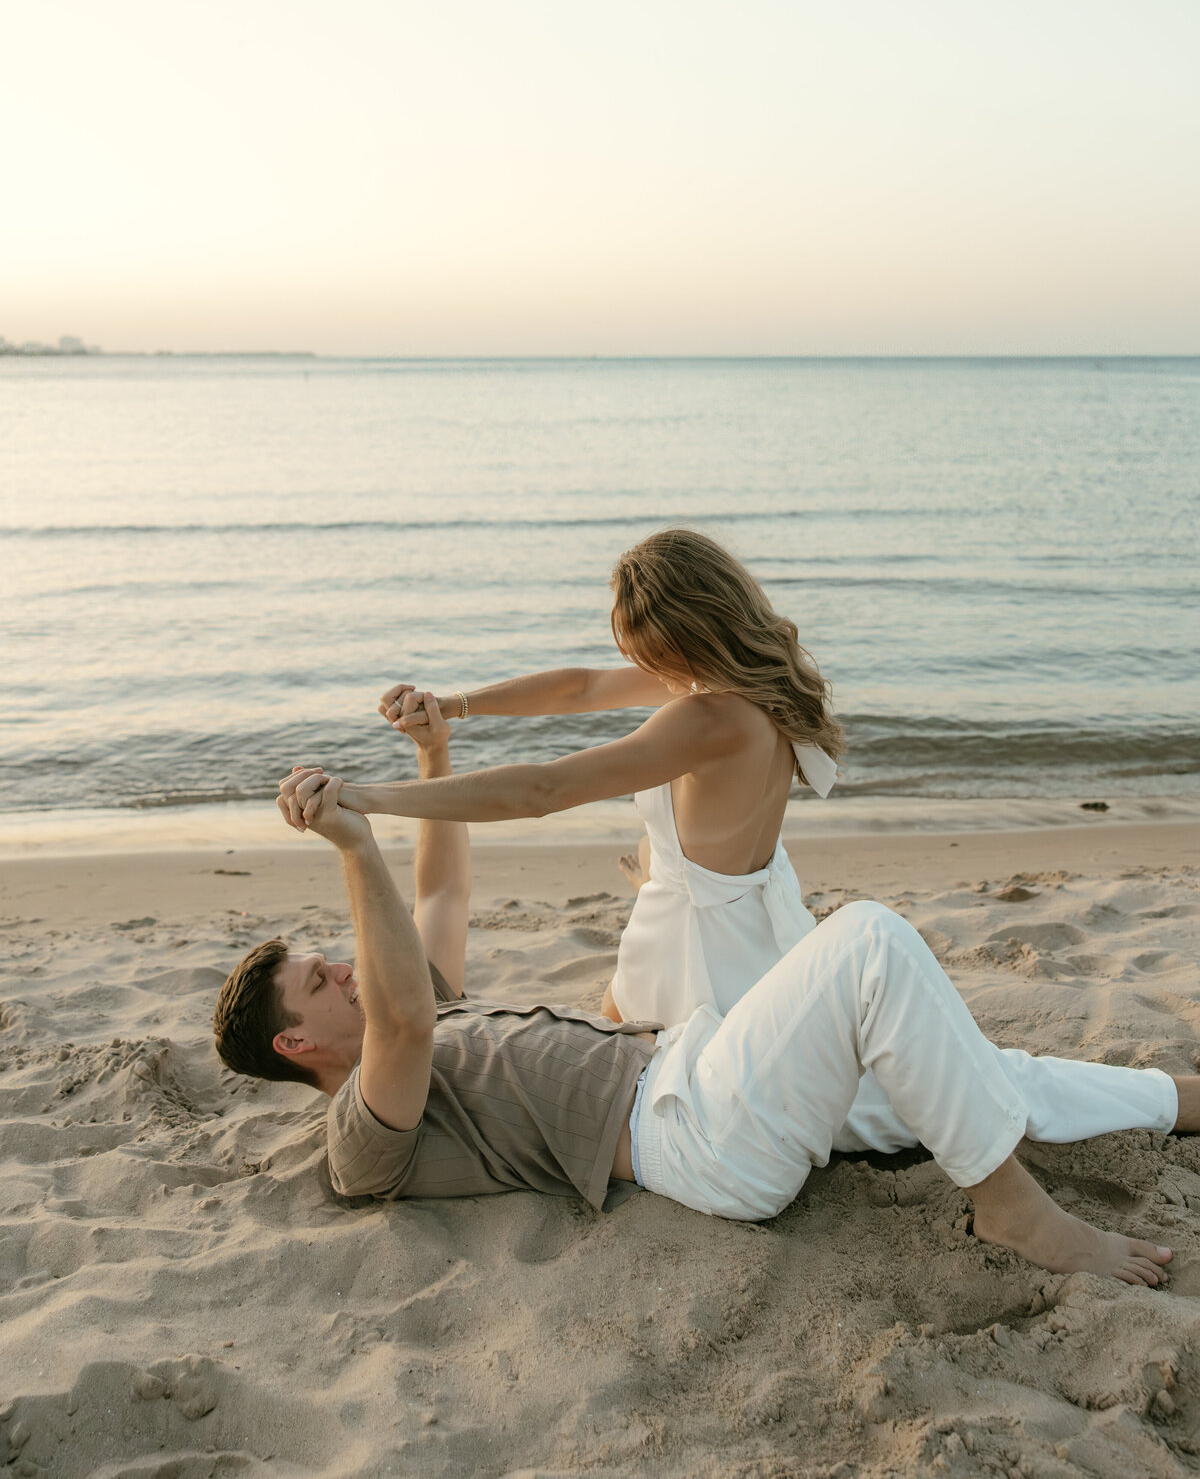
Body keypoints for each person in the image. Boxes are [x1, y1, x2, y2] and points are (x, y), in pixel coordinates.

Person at [212, 699, 1195, 1287]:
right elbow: (405, 1018)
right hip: (694, 1131)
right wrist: (353, 839)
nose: (342, 968)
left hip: (702, 1064)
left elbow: (442, 891)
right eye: (318, 981)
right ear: (296, 1045)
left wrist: (431, 759)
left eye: (329, 959)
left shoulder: (424, 1011)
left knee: (960, 1067)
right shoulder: (362, 1130)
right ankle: (1013, 1210)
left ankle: (1176, 1102)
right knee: (868, 945)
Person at [365, 528, 842, 1028]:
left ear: (681, 633)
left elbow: (542, 790)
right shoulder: (764, 678)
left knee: (630, 1041)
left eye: (645, 647)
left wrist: (369, 797)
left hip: (697, 944)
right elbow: (583, 688)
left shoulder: (706, 719)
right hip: (757, 916)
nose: (635, 662)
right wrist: (456, 705)